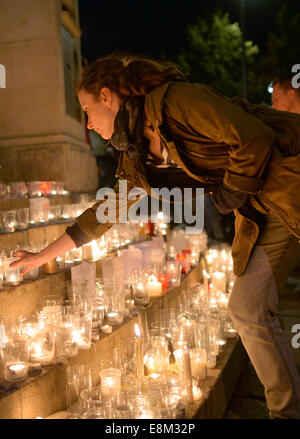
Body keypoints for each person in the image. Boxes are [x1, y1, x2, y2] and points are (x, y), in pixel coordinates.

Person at [11, 53, 300, 418]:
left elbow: (254, 138)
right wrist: (42, 256)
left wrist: (227, 196)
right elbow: (107, 211)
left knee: (249, 308)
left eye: (86, 109)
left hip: (289, 185)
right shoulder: (136, 152)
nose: (87, 123)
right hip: (263, 211)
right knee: (247, 306)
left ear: (106, 97)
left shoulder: (176, 101)